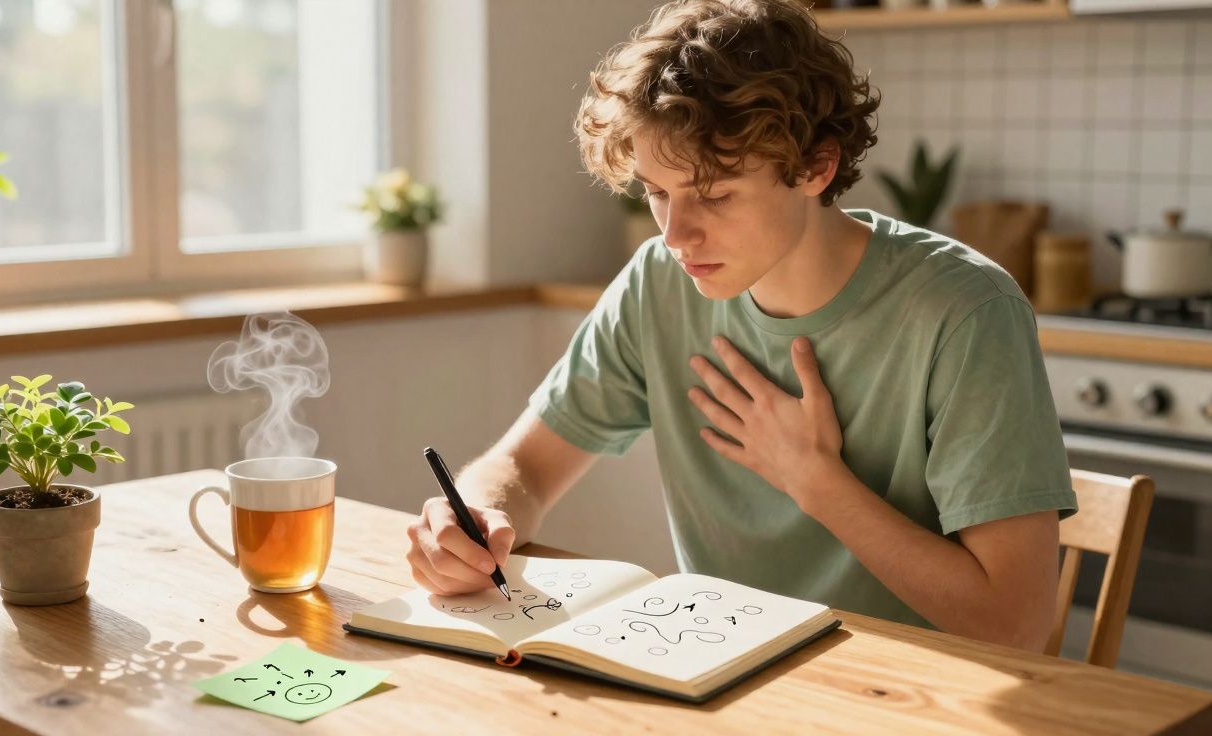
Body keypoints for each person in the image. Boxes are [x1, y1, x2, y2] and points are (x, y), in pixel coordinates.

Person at [404, 0, 1076, 651]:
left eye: (716, 194)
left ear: (816, 166)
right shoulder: (658, 282)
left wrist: (817, 482)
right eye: (657, 192)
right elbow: (524, 466)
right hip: (723, 681)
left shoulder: (964, 310)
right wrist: (476, 517)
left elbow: (1012, 625)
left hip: (915, 701)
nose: (675, 234)